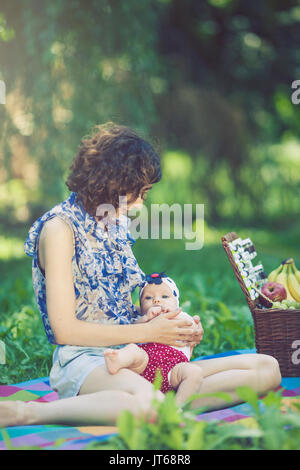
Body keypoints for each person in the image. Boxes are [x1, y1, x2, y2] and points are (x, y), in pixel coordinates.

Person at [0, 122, 281, 428]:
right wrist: (148, 333)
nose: (142, 202)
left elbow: (116, 312)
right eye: (140, 191)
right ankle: (30, 413)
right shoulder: (59, 230)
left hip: (138, 356)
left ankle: (150, 406)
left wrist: (171, 326)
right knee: (151, 404)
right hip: (87, 362)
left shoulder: (112, 224)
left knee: (267, 368)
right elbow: (65, 330)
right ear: (115, 182)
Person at [104, 272, 204, 406]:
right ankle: (117, 360)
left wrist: (195, 326)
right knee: (133, 350)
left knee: (194, 372)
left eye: (164, 296)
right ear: (141, 305)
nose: (156, 300)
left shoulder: (182, 317)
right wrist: (145, 320)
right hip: (144, 365)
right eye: (148, 298)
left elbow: (192, 330)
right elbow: (131, 331)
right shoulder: (142, 319)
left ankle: (176, 407)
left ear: (176, 301)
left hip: (173, 370)